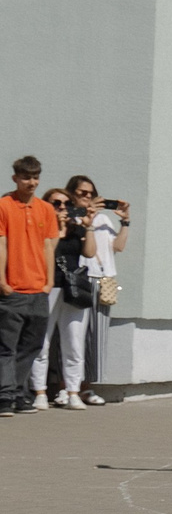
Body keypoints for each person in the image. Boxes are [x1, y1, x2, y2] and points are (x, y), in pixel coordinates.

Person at [47, 177, 125, 408]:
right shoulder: (68, 217)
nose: (87, 196)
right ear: (72, 194)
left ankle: (84, 386)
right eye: (82, 192)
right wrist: (82, 215)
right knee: (66, 337)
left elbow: (117, 247)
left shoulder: (101, 218)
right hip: (76, 278)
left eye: (91, 193)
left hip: (101, 280)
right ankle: (64, 388)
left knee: (92, 339)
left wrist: (126, 222)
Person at [0, 156, 60, 413]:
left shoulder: (45, 209)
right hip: (12, 289)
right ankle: (5, 397)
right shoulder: (4, 205)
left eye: (35, 177)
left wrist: (49, 282)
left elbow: (49, 245)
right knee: (6, 347)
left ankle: (15, 392)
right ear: (15, 178)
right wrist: (2, 280)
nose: (32, 182)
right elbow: (1, 244)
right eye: (26, 177)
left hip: (38, 290)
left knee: (33, 345)